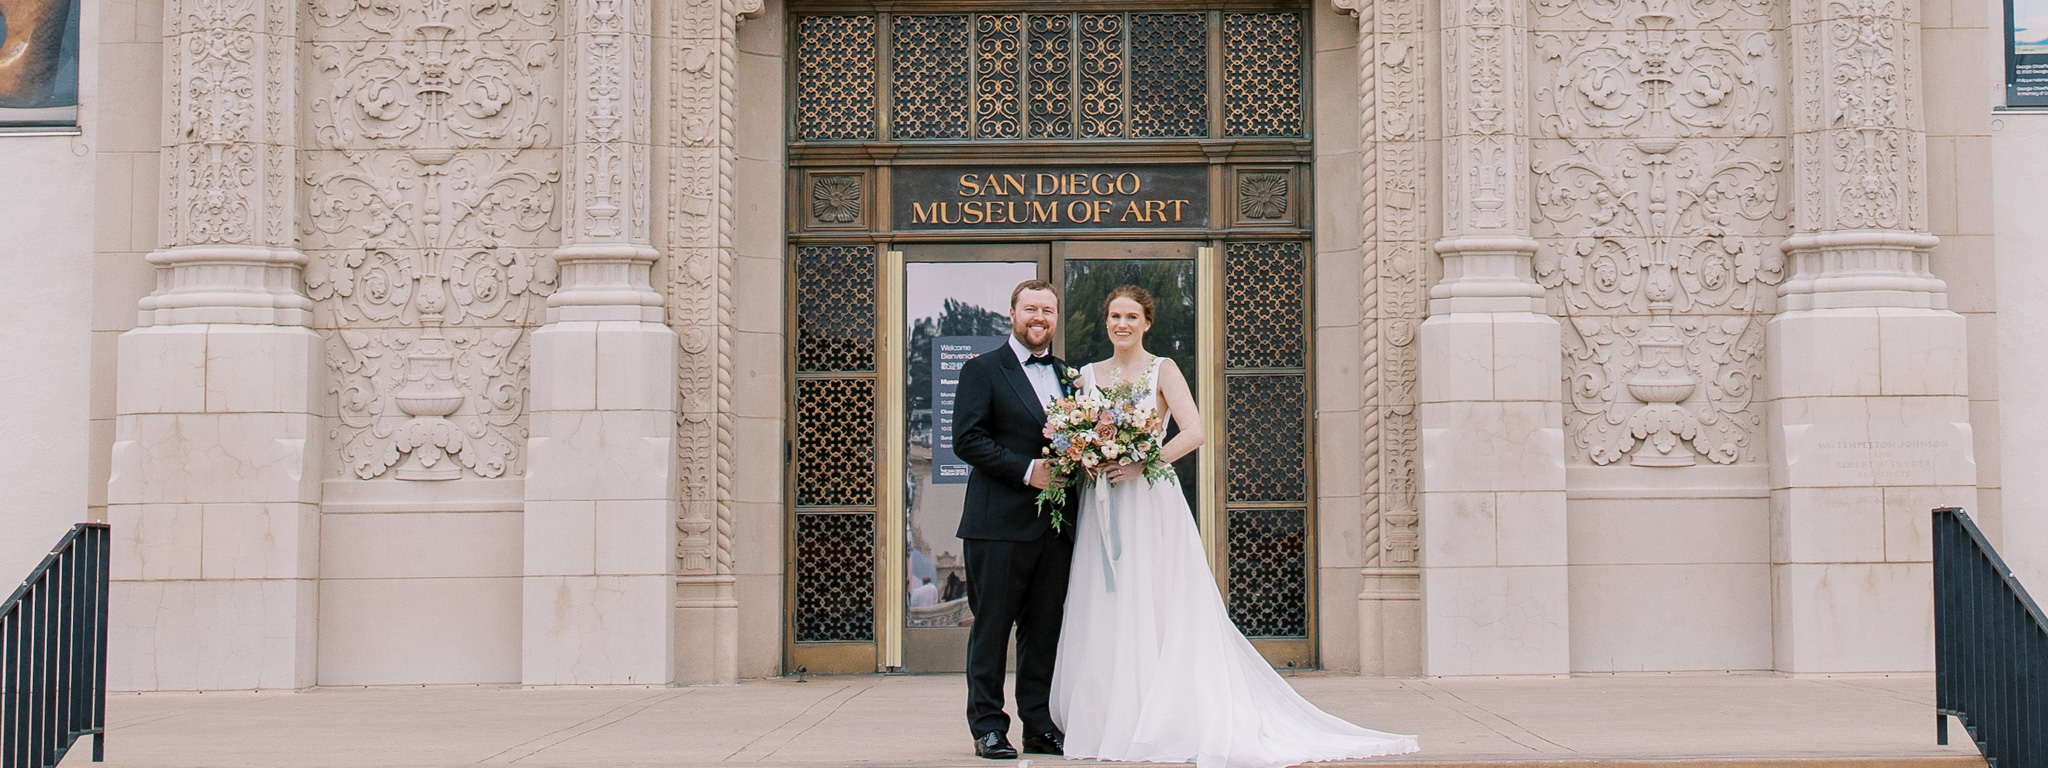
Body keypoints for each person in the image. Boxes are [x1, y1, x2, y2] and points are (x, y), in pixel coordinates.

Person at [1049, 285, 1420, 768]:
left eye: (1132, 317)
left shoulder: (1163, 369)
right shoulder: (1087, 377)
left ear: (1147, 323)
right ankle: (1109, 718)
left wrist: (1142, 462)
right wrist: (1088, 456)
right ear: (1106, 321)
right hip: (1104, 503)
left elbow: (1195, 431)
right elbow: (1078, 433)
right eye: (1114, 315)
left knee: (1157, 600)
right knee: (1109, 604)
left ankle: (1160, 715)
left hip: (1149, 500)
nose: (1122, 324)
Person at [951, 279, 1080, 760]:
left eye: (1047, 310)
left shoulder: (1069, 377)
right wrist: (1028, 471)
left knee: (1043, 630)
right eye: (1030, 309)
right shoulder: (982, 369)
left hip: (1056, 528)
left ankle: (1039, 726)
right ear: (1012, 314)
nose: (1039, 318)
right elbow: (967, 438)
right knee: (992, 629)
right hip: (997, 525)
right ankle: (987, 727)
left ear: (1054, 318)